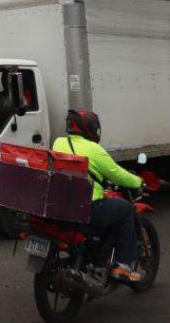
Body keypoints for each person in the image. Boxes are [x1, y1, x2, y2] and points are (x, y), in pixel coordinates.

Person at [52, 108, 145, 284]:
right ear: (87, 128)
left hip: (62, 206)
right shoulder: (94, 149)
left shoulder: (58, 143)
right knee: (126, 209)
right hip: (88, 208)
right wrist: (138, 182)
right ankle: (122, 265)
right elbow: (116, 174)